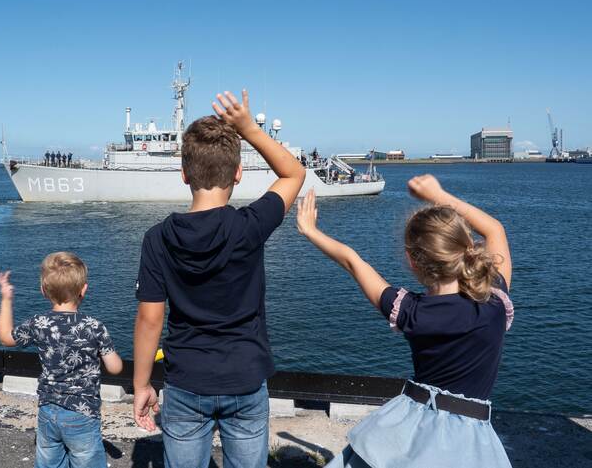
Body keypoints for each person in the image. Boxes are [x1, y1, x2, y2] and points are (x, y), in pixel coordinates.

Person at [132, 90, 306, 468]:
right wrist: (249, 130)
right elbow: (294, 172)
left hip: (185, 380)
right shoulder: (251, 226)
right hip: (245, 376)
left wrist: (142, 384)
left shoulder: (157, 238)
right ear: (238, 174)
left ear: (183, 174)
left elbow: (150, 319)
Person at [296, 175, 514, 468]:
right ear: (464, 248)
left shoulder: (411, 311)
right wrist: (438, 194)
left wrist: (311, 230)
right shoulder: (495, 302)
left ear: (412, 261)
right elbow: (494, 229)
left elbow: (353, 261)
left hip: (411, 428)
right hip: (471, 439)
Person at [0, 252, 123, 468]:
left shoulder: (39, 323)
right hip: (82, 412)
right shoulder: (94, 326)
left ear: (43, 291)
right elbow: (115, 367)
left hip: (48, 410)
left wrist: (6, 300)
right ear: (84, 289)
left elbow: (6, 337)